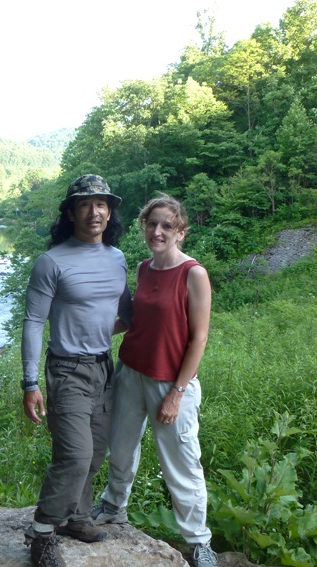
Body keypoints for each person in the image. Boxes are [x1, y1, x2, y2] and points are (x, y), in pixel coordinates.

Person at [92, 194, 218, 567]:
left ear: (181, 231)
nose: (157, 231)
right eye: (152, 224)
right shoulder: (144, 268)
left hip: (171, 383)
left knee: (181, 463)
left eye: (166, 225)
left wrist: (177, 393)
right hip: (130, 373)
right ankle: (114, 506)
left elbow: (199, 338)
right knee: (120, 448)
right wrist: (91, 333)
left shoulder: (193, 273)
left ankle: (198, 542)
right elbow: (133, 320)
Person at [21, 174, 133, 567]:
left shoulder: (117, 258)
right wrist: (30, 382)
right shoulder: (51, 262)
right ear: (70, 213)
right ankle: (42, 533)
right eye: (85, 204)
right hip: (67, 370)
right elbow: (34, 322)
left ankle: (76, 517)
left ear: (110, 211)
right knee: (74, 454)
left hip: (105, 367)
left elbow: (125, 314)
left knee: (95, 453)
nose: (95, 211)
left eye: (102, 203)